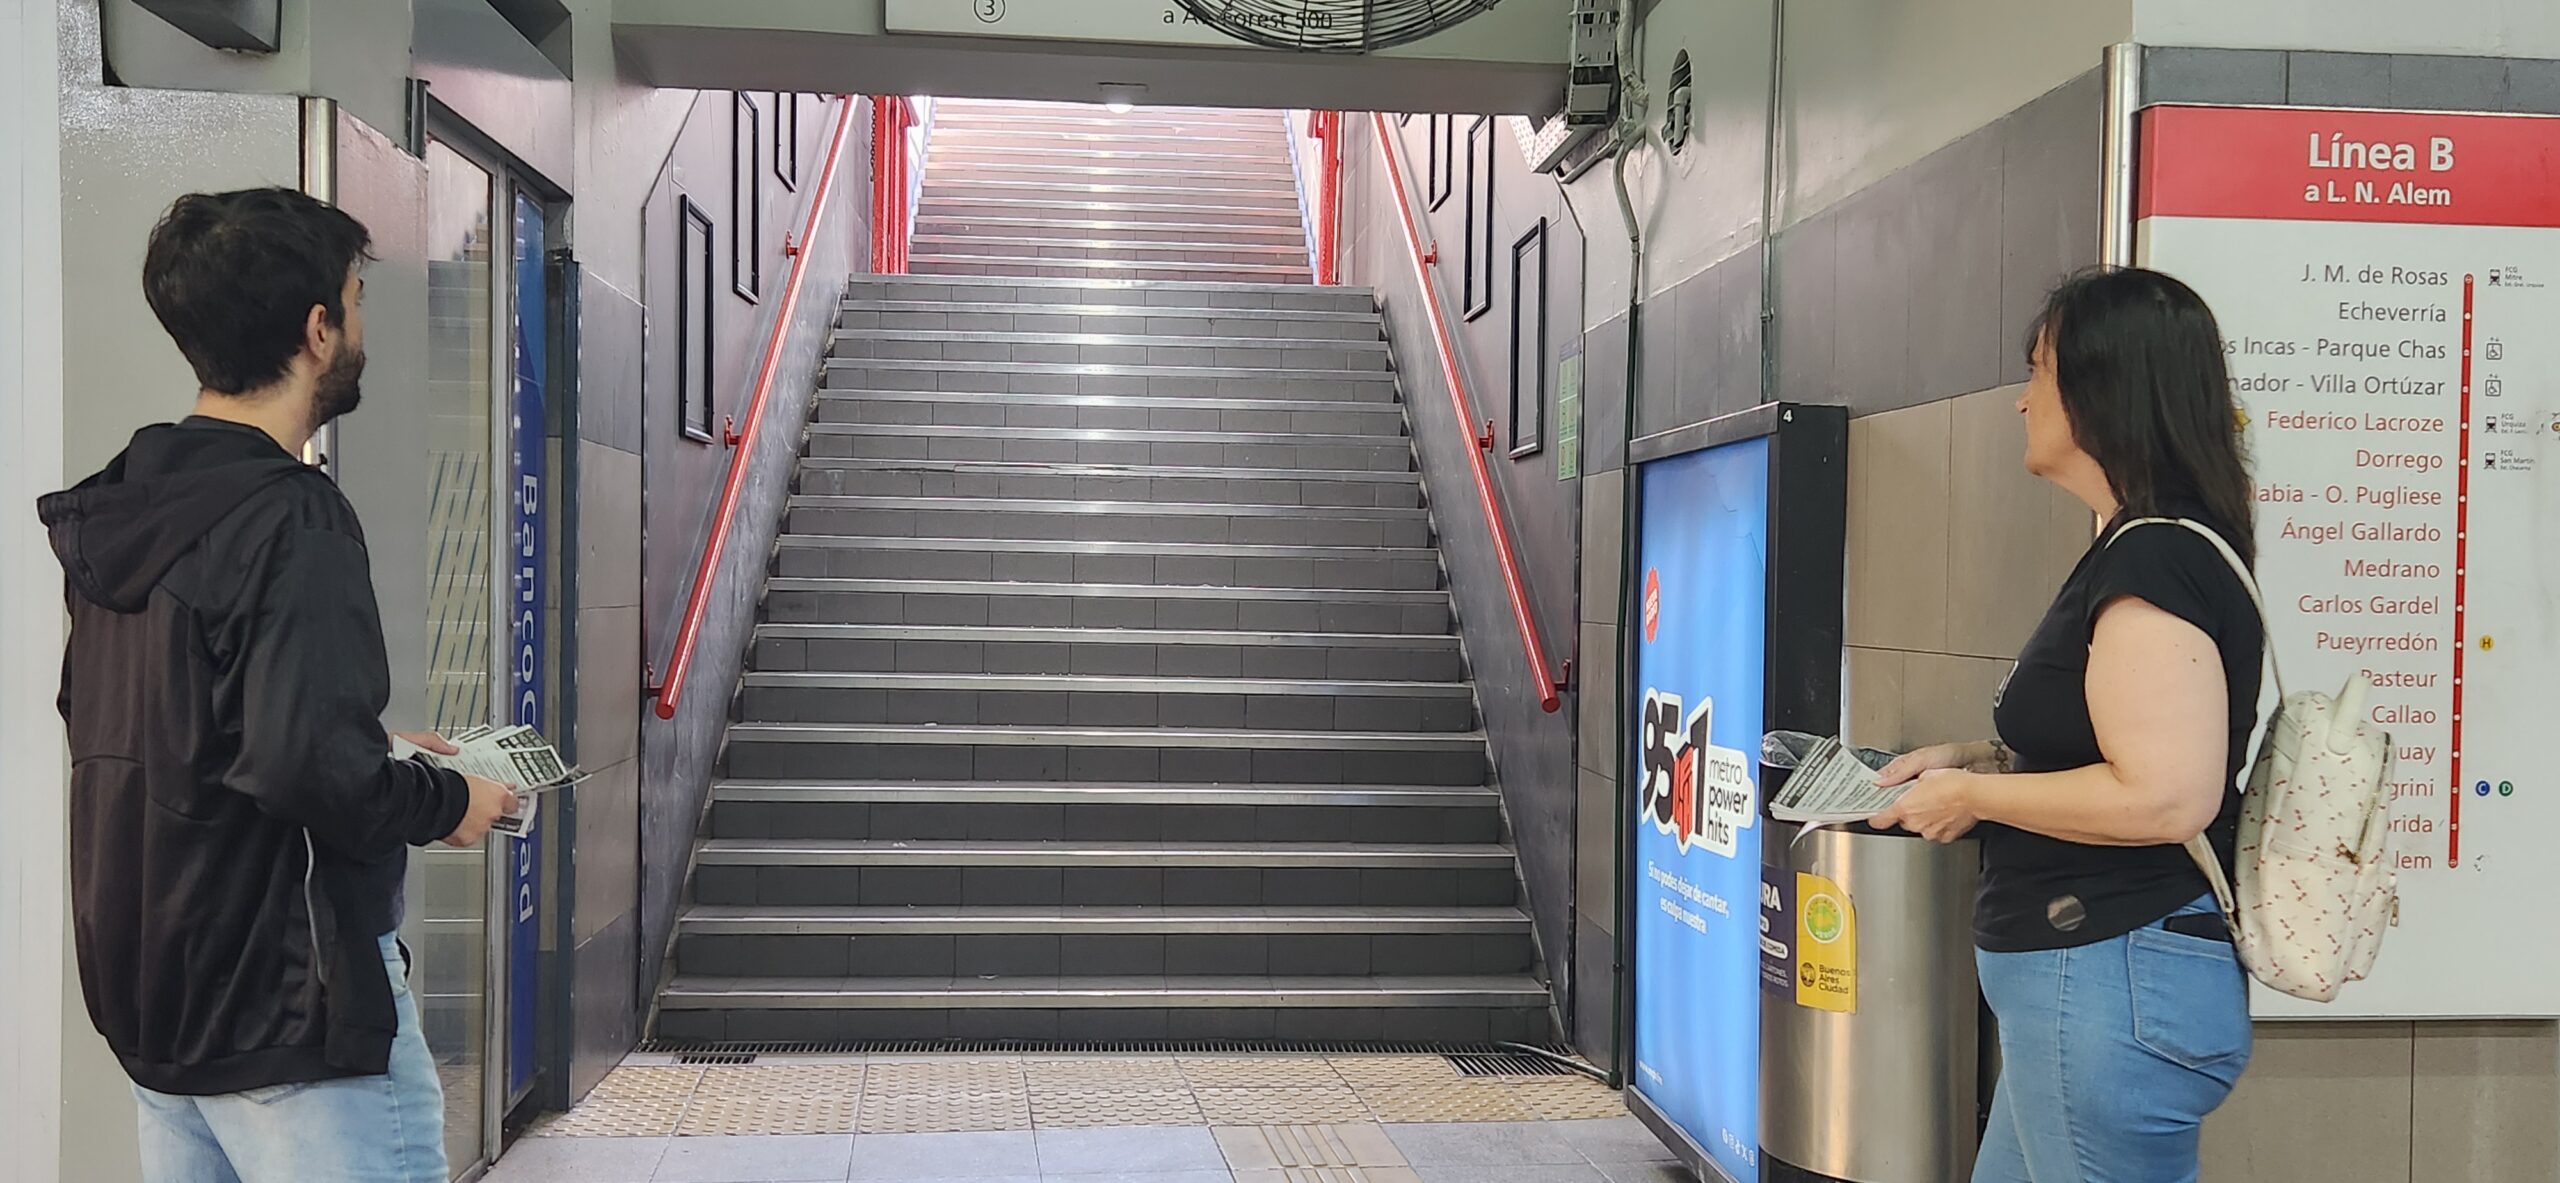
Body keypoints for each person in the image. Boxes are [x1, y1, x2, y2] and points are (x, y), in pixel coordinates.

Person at [39, 188, 519, 1183]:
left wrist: (375, 748)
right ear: (316, 329)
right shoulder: (293, 518)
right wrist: (447, 800)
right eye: (355, 300)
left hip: (158, 1001)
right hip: (289, 1006)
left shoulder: (127, 503)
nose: (359, 327)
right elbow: (307, 768)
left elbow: (175, 727)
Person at [1869, 267, 2263, 1182]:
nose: (2021, 401)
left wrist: (1973, 795)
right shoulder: (2139, 543)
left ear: (2100, 386)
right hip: (2086, 989)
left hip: (2107, 983)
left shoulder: (2154, 557)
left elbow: (2166, 796)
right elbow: (2105, 745)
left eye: (2038, 371)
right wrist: (1972, 759)